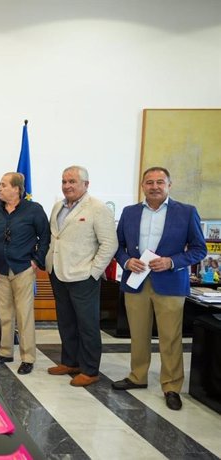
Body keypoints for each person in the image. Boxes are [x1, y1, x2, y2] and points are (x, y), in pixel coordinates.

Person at [112, 167, 206, 410]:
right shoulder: (130, 212)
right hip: (137, 282)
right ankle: (137, 376)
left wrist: (172, 261)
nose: (154, 186)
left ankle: (171, 386)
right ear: (142, 186)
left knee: (170, 337)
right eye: (149, 182)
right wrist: (125, 261)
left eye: (160, 182)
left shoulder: (186, 212)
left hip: (171, 283)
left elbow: (199, 249)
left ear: (169, 185)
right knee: (138, 333)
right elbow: (118, 246)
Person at [45, 165, 117, 386]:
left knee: (87, 324)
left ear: (86, 184)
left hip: (84, 276)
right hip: (58, 272)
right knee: (66, 322)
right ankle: (70, 361)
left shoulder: (97, 208)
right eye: (64, 181)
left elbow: (109, 244)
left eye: (72, 182)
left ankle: (90, 369)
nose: (67, 186)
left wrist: (94, 272)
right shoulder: (58, 206)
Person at [0, 173, 50, 375]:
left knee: (24, 315)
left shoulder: (34, 210)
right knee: (4, 314)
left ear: (16, 189)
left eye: (3, 185)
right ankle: (4, 351)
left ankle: (28, 357)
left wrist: (36, 261)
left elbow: (45, 236)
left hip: (23, 270)